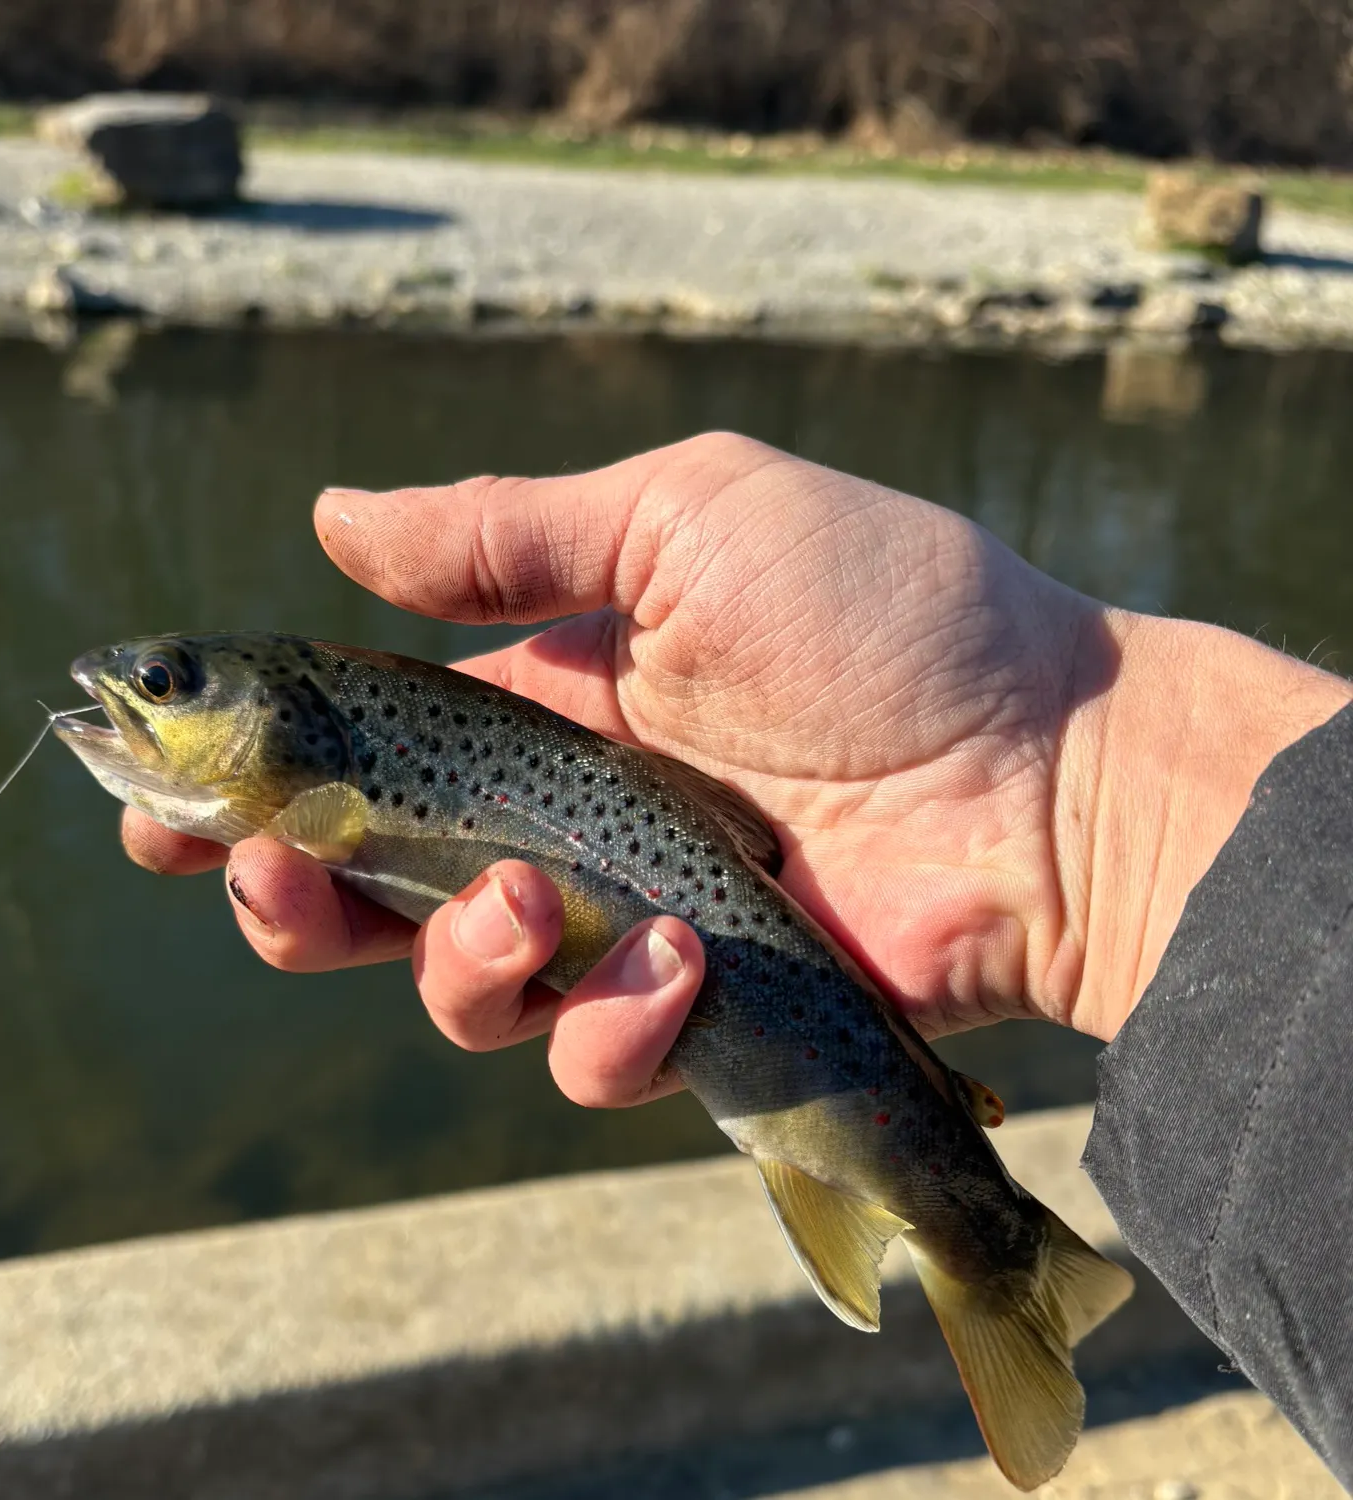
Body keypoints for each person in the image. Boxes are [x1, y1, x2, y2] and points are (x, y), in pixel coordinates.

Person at [123, 432, 1353, 1483]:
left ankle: (997, 1252)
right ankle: (987, 1242)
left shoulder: (319, 798)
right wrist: (1083, 800)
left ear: (285, 716)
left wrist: (1073, 782)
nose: (127, 697)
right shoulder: (310, 805)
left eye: (166, 686)